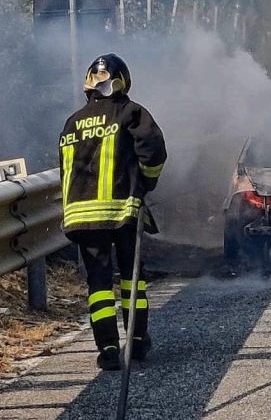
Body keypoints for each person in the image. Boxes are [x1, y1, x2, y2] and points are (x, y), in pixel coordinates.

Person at [59, 54, 167, 370]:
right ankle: (136, 341)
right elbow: (155, 150)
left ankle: (107, 348)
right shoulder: (130, 112)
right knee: (133, 279)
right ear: (122, 81)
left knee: (98, 284)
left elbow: (65, 166)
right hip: (121, 211)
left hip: (82, 216)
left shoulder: (72, 122)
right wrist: (146, 181)